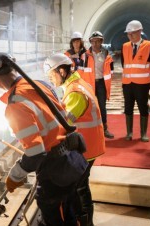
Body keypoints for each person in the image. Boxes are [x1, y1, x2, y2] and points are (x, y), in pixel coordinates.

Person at [0, 52, 88, 226]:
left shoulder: (15, 104)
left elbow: (35, 153)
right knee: (69, 213)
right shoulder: (40, 85)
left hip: (56, 174)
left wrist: (15, 176)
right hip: (72, 160)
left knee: (56, 219)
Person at [44, 53, 105, 226]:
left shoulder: (75, 93)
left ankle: (84, 222)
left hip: (86, 148)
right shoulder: (78, 84)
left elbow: (64, 124)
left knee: (77, 189)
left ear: (62, 71)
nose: (51, 81)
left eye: (51, 76)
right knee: (80, 187)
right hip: (88, 145)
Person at [121, 20, 150, 142]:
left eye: (133, 33)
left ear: (140, 32)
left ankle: (143, 134)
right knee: (128, 108)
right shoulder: (125, 46)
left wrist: (145, 76)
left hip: (142, 85)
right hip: (127, 84)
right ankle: (129, 133)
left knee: (143, 108)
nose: (130, 36)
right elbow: (124, 64)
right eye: (128, 34)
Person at [79, 31, 114, 139]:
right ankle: (91, 130)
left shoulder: (107, 54)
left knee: (102, 107)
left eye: (97, 41)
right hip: (89, 84)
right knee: (90, 107)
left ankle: (104, 129)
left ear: (101, 41)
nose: (94, 44)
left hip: (101, 84)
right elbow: (80, 72)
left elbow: (111, 70)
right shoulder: (85, 56)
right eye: (92, 42)